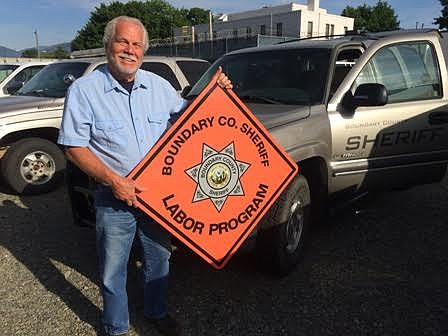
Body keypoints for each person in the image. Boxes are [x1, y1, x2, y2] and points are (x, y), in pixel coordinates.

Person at [58, 16, 232, 336]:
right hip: (113, 195)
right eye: (123, 42)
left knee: (159, 258)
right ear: (108, 45)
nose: (130, 50)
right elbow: (73, 147)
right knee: (113, 269)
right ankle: (116, 326)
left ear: (144, 50)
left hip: (157, 194)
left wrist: (214, 92)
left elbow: (188, 117)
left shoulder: (158, 86)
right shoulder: (84, 90)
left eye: (137, 44)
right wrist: (115, 181)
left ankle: (156, 312)